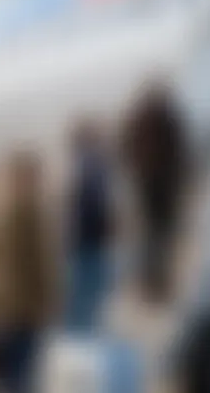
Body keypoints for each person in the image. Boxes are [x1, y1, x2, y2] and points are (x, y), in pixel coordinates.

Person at [0, 151, 56, 393]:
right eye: (32, 176)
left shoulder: (1, 213)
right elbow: (39, 266)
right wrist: (47, 302)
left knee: (8, 379)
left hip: (3, 307)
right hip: (22, 309)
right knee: (21, 379)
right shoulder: (28, 213)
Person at [121, 83, 188, 306]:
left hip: (153, 185)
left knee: (154, 236)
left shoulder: (142, 120)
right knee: (160, 237)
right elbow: (181, 155)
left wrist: (135, 170)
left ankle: (151, 285)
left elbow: (125, 149)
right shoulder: (167, 121)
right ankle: (155, 285)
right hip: (161, 187)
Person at [64, 120, 115, 332]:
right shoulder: (92, 166)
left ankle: (81, 327)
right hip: (90, 237)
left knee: (85, 288)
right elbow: (92, 205)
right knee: (90, 287)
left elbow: (83, 206)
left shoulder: (85, 166)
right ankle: (83, 328)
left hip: (86, 237)